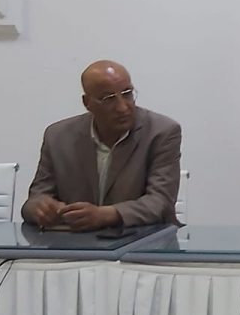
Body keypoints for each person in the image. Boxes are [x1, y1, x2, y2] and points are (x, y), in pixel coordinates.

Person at [21, 60, 182, 230]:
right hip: (75, 241)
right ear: (87, 103)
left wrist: (105, 215)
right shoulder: (58, 136)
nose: (122, 107)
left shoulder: (161, 132)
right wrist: (40, 208)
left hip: (143, 239)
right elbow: (35, 199)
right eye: (109, 99)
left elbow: (160, 202)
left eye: (127, 94)